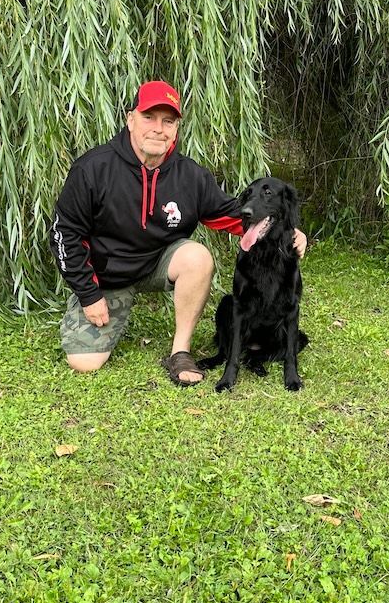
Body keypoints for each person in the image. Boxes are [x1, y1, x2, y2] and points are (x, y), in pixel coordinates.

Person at [49, 80, 307, 386]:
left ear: (176, 128)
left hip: (159, 263)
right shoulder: (93, 169)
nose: (158, 129)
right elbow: (64, 234)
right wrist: (89, 295)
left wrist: (289, 229)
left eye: (168, 121)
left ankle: (180, 351)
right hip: (107, 275)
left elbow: (234, 214)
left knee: (197, 257)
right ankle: (109, 309)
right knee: (84, 363)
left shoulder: (190, 176)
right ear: (130, 118)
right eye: (149, 117)